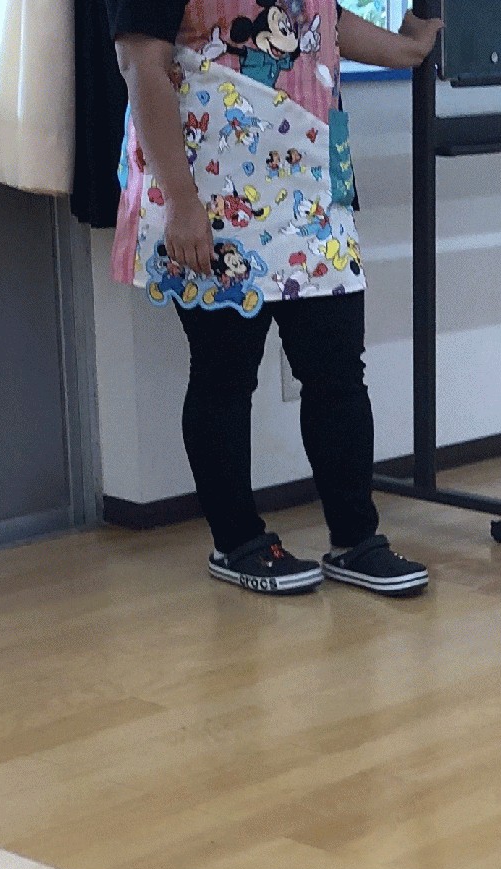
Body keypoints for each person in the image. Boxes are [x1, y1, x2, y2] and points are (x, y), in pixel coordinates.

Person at [110, 1, 438, 598]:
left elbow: (321, 20)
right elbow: (140, 64)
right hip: (213, 189)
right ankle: (237, 542)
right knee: (224, 375)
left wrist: (407, 50)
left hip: (313, 184)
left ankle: (356, 540)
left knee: (337, 371)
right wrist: (181, 200)